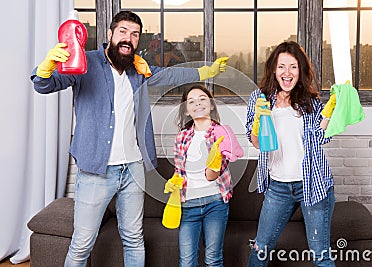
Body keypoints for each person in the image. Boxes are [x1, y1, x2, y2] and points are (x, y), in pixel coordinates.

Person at [30, 11, 228, 267]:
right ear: (110, 34)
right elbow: (44, 85)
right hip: (95, 172)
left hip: (133, 169)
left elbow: (170, 75)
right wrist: (45, 68)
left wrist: (204, 71)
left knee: (134, 239)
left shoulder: (138, 69)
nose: (128, 38)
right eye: (123, 31)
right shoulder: (85, 62)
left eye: (134, 34)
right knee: (81, 244)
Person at [246, 41, 337, 267]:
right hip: (278, 187)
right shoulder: (259, 98)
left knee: (320, 255)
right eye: (281, 66)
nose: (287, 73)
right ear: (274, 70)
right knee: (260, 249)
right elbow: (256, 143)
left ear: (300, 71)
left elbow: (322, 138)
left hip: (313, 183)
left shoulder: (311, 102)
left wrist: (330, 112)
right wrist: (258, 122)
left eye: (293, 67)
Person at [166, 84, 237, 267]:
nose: (197, 103)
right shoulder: (181, 137)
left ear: (212, 105)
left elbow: (212, 176)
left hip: (215, 203)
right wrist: (174, 183)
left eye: (202, 99)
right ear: (187, 110)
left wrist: (215, 159)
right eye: (191, 101)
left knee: (213, 259)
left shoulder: (222, 133)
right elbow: (179, 171)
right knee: (187, 262)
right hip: (188, 205)